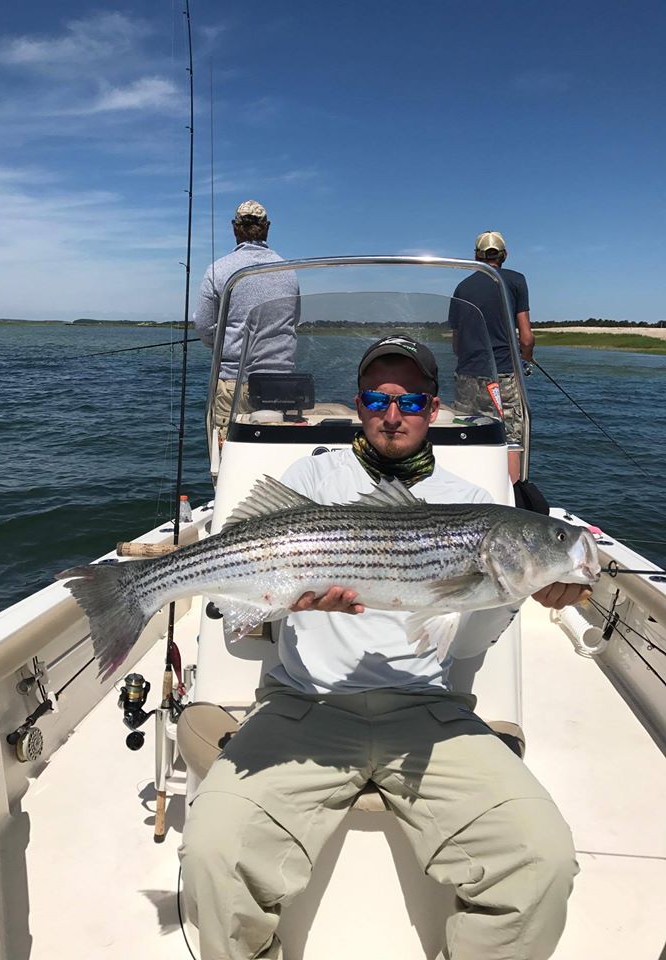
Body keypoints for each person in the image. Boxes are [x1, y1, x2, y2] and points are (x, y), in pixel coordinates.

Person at [180, 334, 588, 960]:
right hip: (304, 706)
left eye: (412, 401)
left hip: (427, 712)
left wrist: (522, 591)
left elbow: (466, 645)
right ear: (359, 403)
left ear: (434, 407)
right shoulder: (313, 476)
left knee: (544, 859)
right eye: (377, 398)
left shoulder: (475, 505)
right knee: (210, 853)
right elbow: (251, 585)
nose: (393, 415)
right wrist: (283, 599)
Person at [193, 200, 300, 435]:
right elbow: (293, 322)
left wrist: (224, 343)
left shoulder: (218, 270)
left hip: (234, 383)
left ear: (235, 227)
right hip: (282, 386)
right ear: (267, 227)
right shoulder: (288, 271)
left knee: (229, 458)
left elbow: (204, 328)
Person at [452, 231, 534, 482]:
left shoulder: (462, 287)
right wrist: (526, 361)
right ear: (504, 255)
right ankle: (510, 499)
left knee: (467, 435)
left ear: (476, 255)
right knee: (509, 440)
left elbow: (456, 343)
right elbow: (527, 337)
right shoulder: (515, 281)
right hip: (503, 377)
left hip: (467, 376)